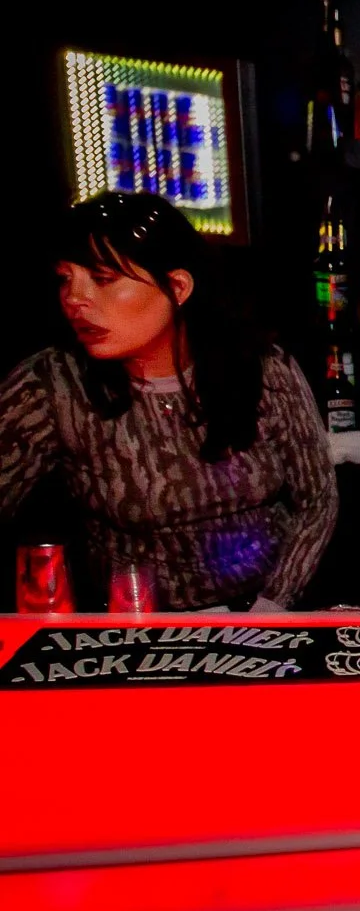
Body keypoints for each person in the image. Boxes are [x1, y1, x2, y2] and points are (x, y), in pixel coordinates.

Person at [0, 192, 337, 611]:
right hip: (136, 625)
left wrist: (272, 607)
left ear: (177, 287)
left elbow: (317, 499)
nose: (74, 299)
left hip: (265, 613)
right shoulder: (52, 384)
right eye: (66, 279)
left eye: (102, 279)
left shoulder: (263, 368)